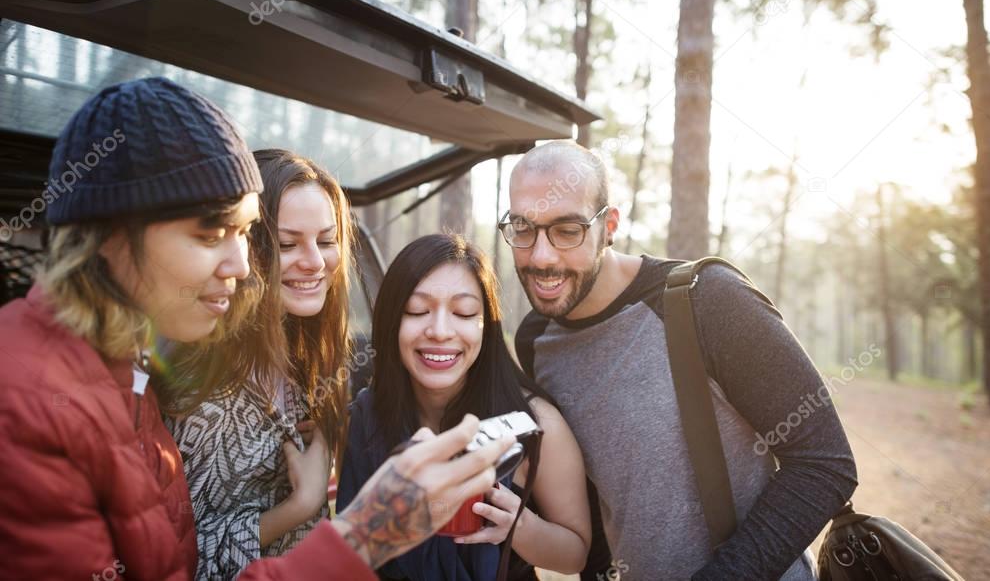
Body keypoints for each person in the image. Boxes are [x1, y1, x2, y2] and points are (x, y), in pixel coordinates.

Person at [0, 77, 514, 579]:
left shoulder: (130, 371)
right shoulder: (30, 404)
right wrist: (359, 532)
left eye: (245, 233)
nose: (243, 264)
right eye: (211, 234)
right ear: (110, 237)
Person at [503, 140, 858, 580]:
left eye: (567, 230)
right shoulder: (536, 341)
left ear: (609, 225)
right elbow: (592, 498)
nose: (541, 256)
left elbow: (824, 462)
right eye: (523, 228)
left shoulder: (709, 300)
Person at [338, 234, 591, 581]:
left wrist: (519, 525)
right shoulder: (367, 418)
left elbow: (575, 554)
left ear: (487, 326)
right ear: (390, 321)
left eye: (463, 312)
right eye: (417, 310)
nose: (440, 331)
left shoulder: (534, 422)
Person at [161, 149, 354, 578]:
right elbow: (175, 561)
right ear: (246, 247)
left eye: (326, 240)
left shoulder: (313, 358)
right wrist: (298, 506)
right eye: (288, 244)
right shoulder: (198, 386)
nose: (315, 261)